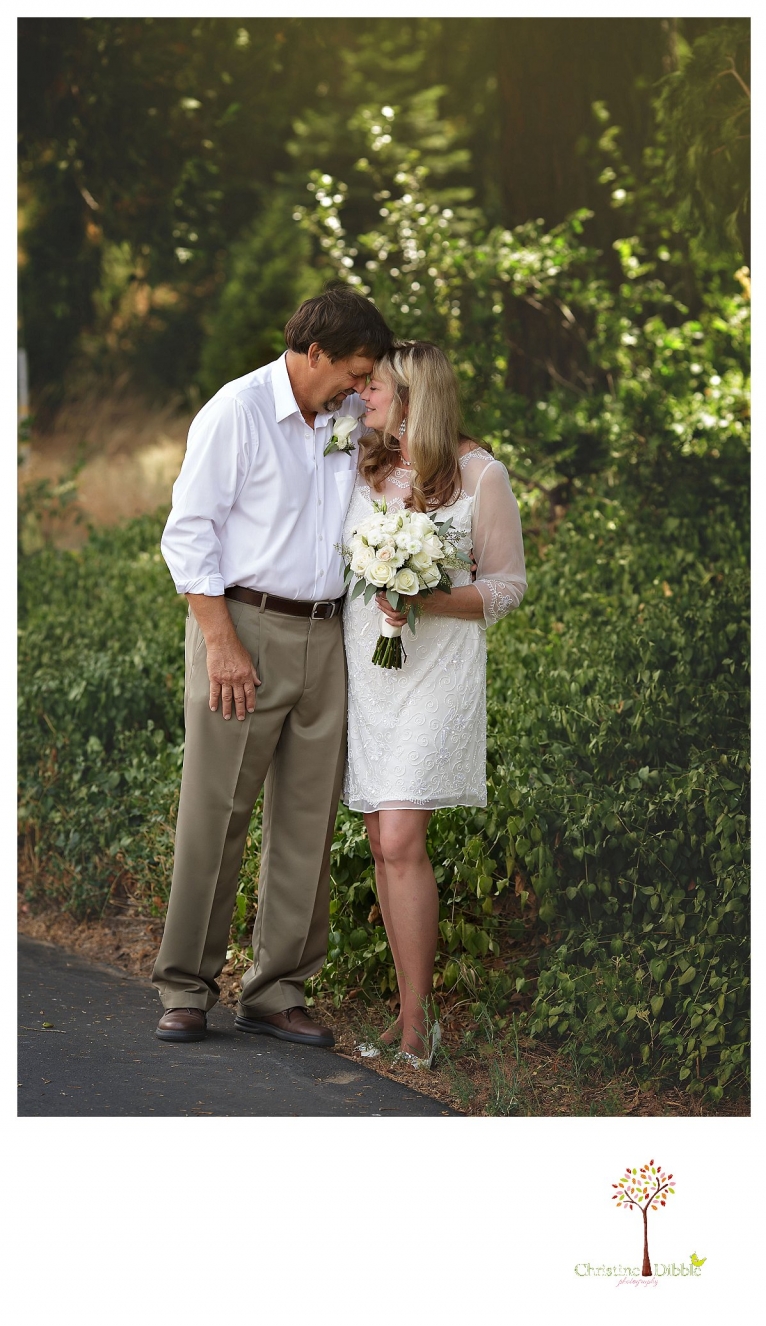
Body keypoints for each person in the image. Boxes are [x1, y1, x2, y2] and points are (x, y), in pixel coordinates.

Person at [152, 286, 393, 1044]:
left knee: (307, 819)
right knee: (216, 812)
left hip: (330, 634)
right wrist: (221, 643)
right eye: (354, 370)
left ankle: (277, 986)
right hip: (243, 628)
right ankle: (186, 985)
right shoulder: (238, 411)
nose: (361, 386)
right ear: (313, 351)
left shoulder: (349, 418)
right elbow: (188, 533)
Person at [342, 341, 527, 1066]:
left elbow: (509, 584)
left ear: (415, 397)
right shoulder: (367, 462)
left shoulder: (481, 476)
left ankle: (421, 1025)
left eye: (378, 389)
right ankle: (405, 1007)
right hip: (369, 669)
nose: (365, 400)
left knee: (399, 839)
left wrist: (430, 596)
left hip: (436, 672)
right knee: (377, 841)